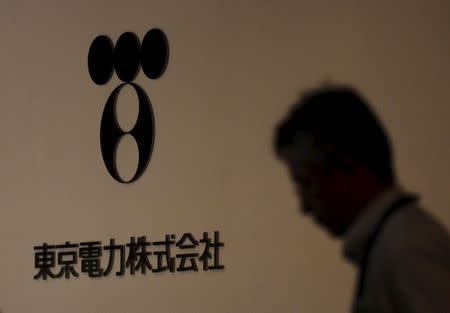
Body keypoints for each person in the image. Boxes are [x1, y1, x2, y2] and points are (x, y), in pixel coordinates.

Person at [274, 85, 450, 313]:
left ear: (346, 169)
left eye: (305, 184)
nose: (304, 207)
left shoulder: (406, 250)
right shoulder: (399, 242)